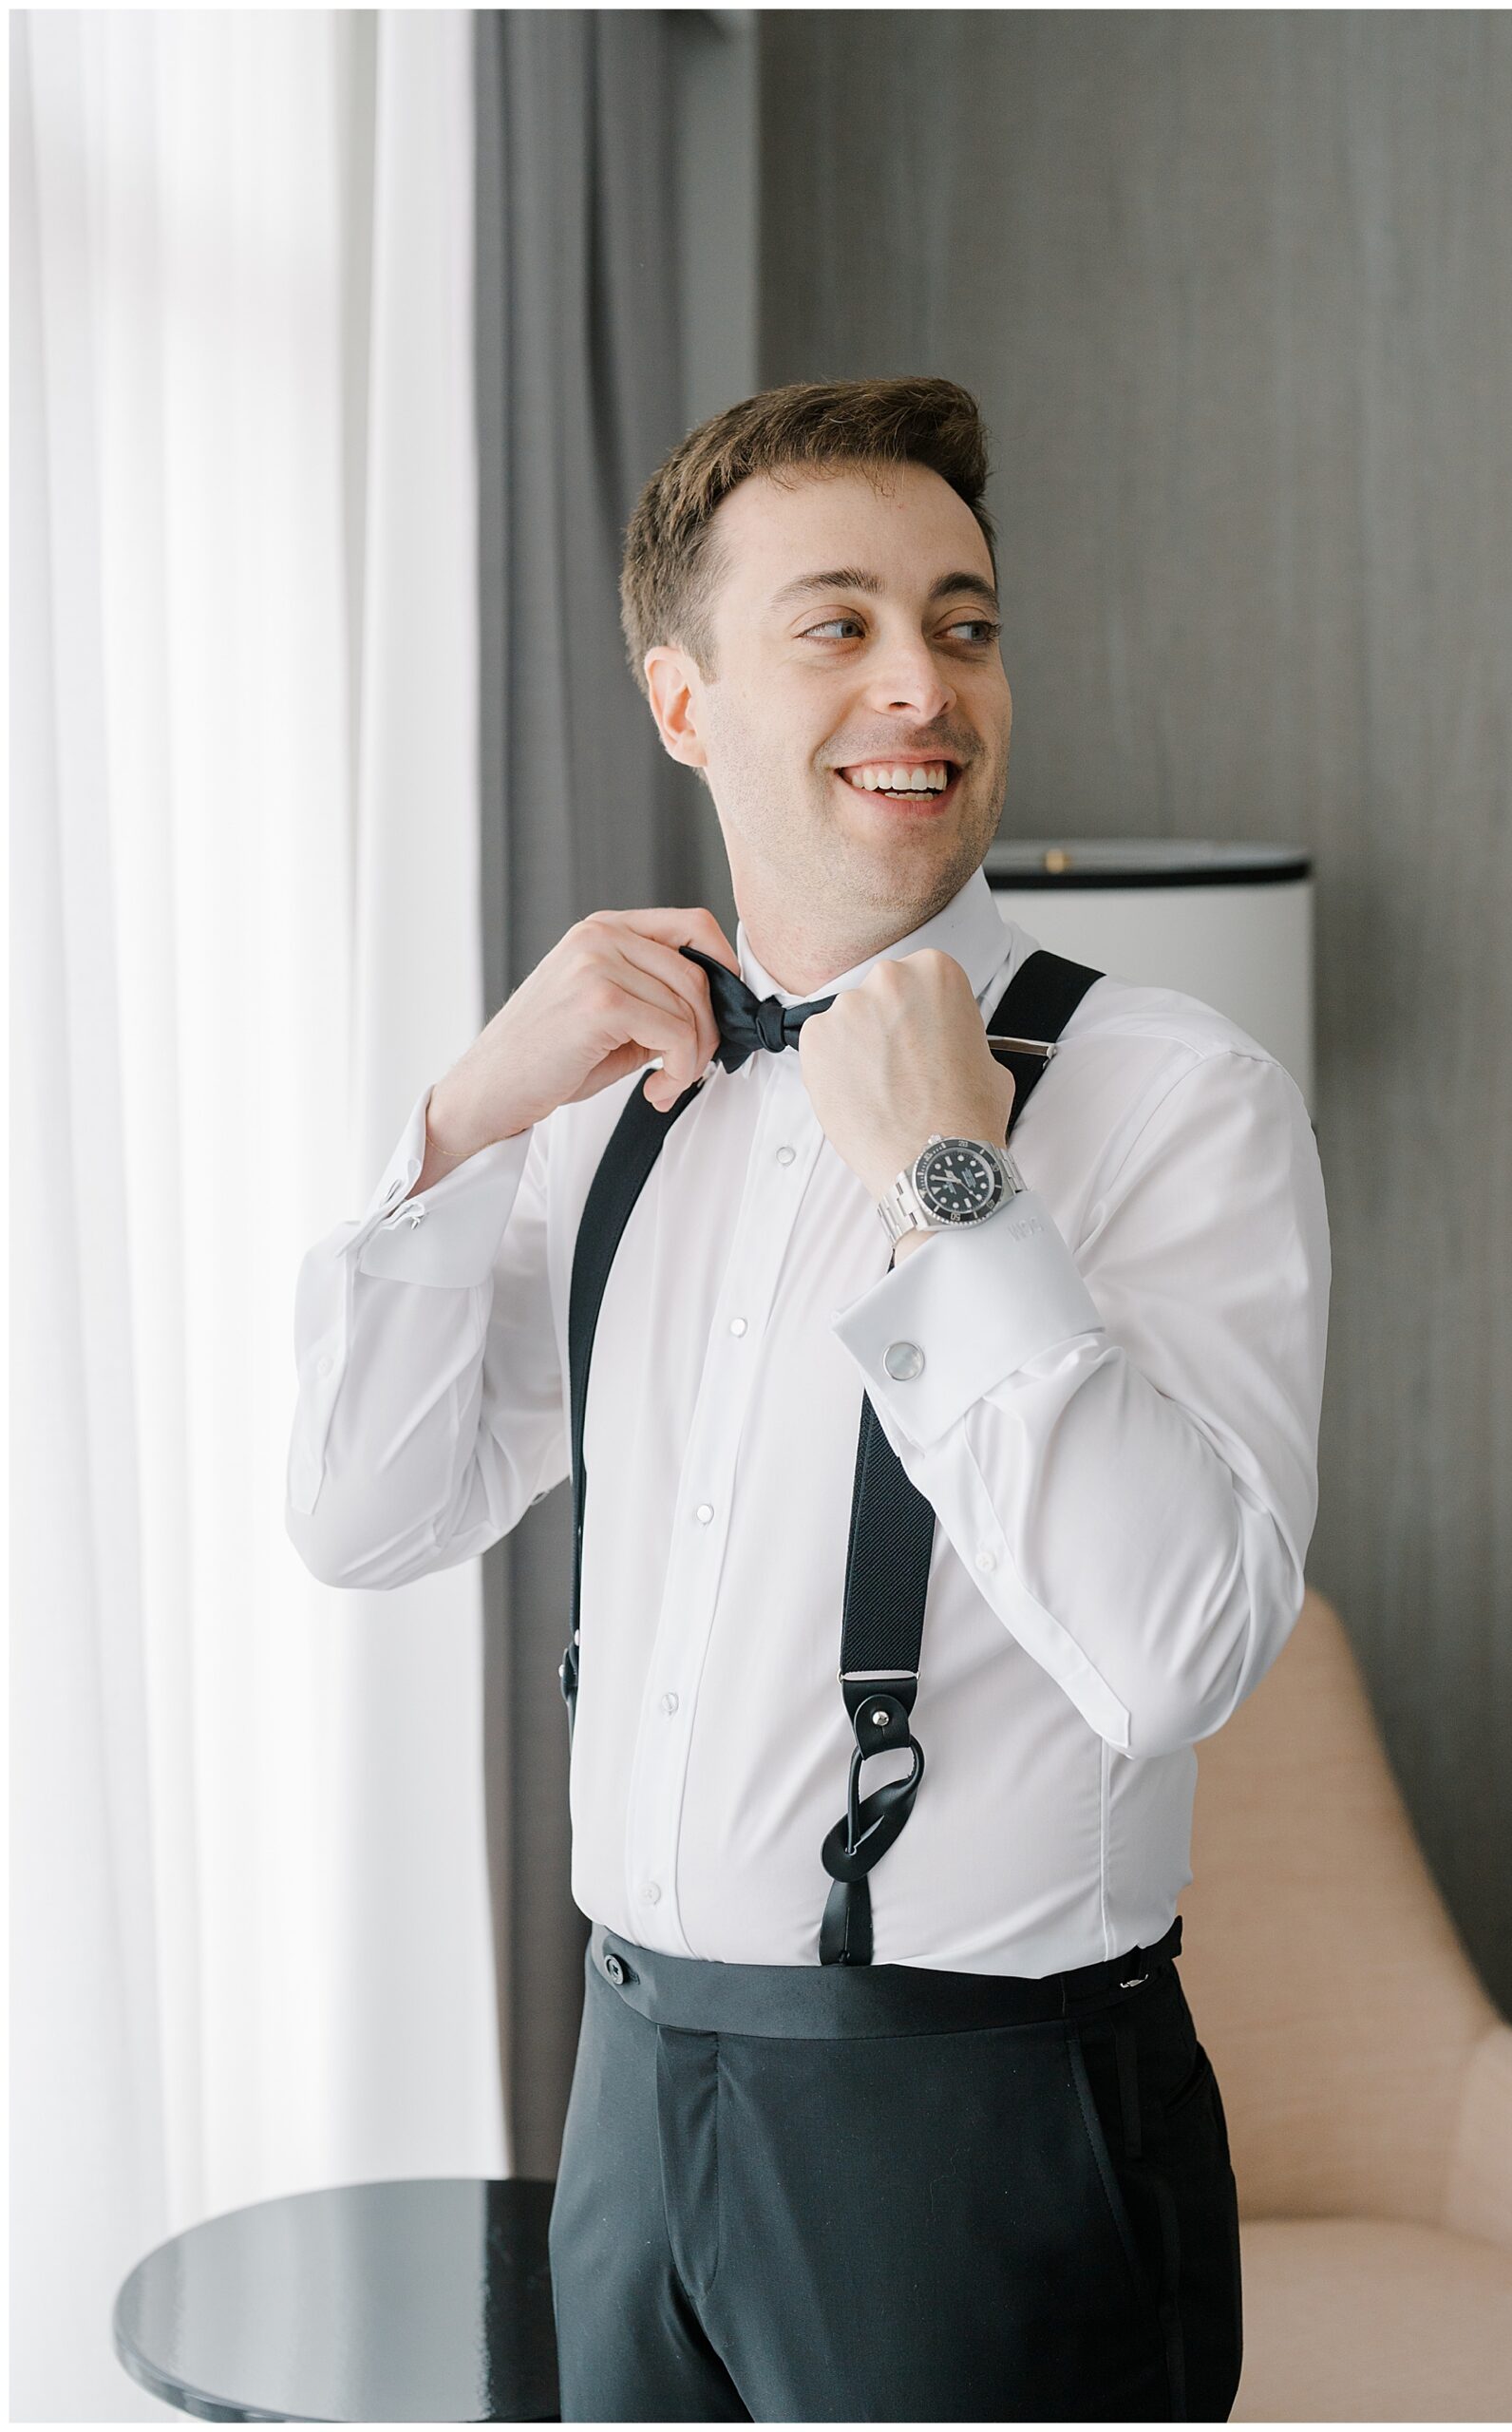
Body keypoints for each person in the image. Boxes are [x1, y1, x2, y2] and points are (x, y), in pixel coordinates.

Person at [286, 376, 1331, 2422]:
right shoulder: (608, 1110)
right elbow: (359, 1510)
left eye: (960, 619)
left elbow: (1177, 1649)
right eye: (835, 623)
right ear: (682, 703)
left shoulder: (1173, 1098)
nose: (917, 682)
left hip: (980, 2124)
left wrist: (955, 1194)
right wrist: (459, 1123)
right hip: (621, 2090)